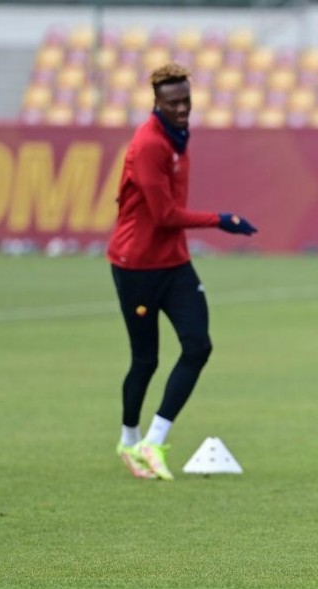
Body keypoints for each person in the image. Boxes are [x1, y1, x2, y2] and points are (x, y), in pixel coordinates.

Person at [108, 63, 258, 481]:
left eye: (186, 100)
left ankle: (153, 441)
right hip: (136, 265)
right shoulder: (149, 145)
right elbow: (163, 213)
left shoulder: (178, 137)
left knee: (198, 346)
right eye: (173, 102)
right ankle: (129, 439)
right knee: (146, 360)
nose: (182, 109)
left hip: (174, 261)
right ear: (156, 102)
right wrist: (220, 219)